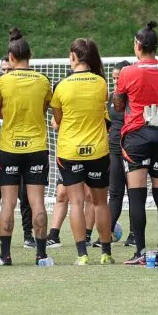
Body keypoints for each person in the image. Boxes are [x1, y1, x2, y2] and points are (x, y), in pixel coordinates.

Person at [113, 22, 158, 264]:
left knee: (137, 196)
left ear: (138, 45)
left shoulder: (128, 72)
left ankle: (140, 251)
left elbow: (119, 105)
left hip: (136, 137)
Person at [0, 30, 53, 266]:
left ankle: (5, 256)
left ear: (10, 57)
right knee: (37, 201)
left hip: (9, 147)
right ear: (30, 55)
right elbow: (45, 107)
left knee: (7, 202)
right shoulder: (43, 81)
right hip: (36, 146)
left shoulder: (2, 82)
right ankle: (41, 255)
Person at [51, 38, 112, 265]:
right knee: (100, 202)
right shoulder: (101, 84)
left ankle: (82, 254)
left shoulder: (62, 86)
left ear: (74, 57)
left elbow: (58, 120)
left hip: (70, 151)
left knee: (76, 202)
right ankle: (106, 252)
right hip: (97, 150)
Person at [107, 60, 132, 243]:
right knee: (115, 192)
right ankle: (106, 233)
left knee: (134, 192)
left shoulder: (134, 96)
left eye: (119, 77)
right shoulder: (111, 97)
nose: (116, 81)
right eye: (114, 77)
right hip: (114, 148)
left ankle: (135, 234)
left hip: (131, 148)